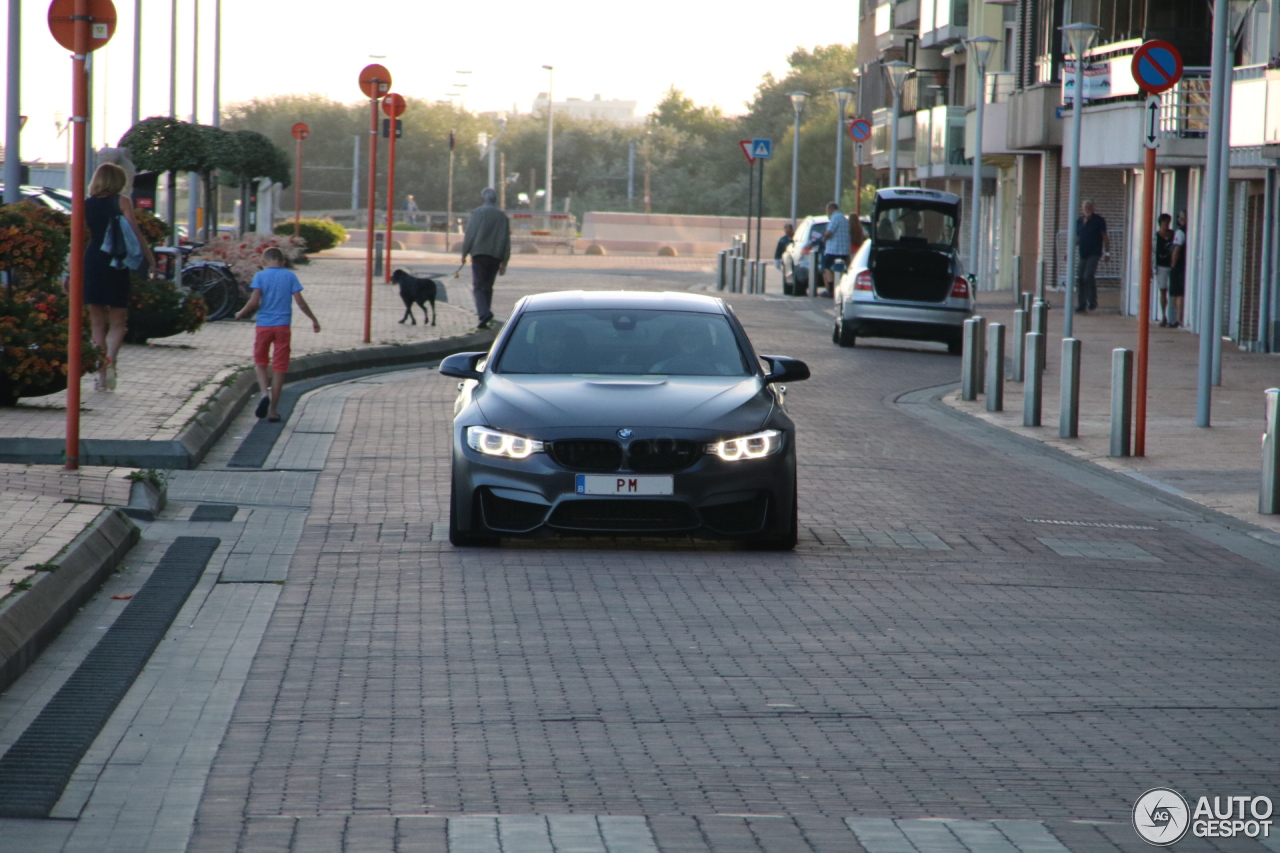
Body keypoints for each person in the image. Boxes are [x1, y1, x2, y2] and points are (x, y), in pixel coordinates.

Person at [84, 162, 156, 392]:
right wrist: (150, 259)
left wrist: (69, 271)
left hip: (93, 259)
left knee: (96, 322)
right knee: (118, 322)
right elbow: (135, 233)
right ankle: (111, 360)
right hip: (116, 261)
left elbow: (78, 238)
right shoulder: (122, 202)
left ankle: (101, 373)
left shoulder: (86, 204)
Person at [234, 247, 321, 422]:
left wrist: (240, 313)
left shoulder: (260, 276)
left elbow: (254, 302)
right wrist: (314, 320)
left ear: (263, 262)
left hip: (264, 326)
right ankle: (273, 411)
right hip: (283, 327)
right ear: (282, 262)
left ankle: (264, 394)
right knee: (279, 367)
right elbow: (300, 303)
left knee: (260, 362)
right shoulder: (290, 276)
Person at [460, 188, 511, 329]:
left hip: (479, 254)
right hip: (495, 256)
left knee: (478, 287)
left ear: (482, 199)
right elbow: (506, 241)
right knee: (488, 287)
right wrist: (505, 262)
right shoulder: (502, 216)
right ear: (495, 200)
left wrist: (464, 253)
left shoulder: (477, 213)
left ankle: (484, 313)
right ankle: (485, 319)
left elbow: (470, 233)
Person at [1075, 199, 1109, 313]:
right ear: (1082, 209)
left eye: (1089, 207)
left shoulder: (1099, 221)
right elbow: (1077, 238)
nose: (1087, 209)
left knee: (1088, 275)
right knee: (1080, 277)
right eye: (1085, 207)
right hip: (1083, 253)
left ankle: (1092, 300)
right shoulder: (1079, 221)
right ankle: (1082, 304)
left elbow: (1104, 237)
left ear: (1093, 208)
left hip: (1094, 252)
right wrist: (1068, 251)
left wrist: (1107, 252)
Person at [821, 202, 852, 296]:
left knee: (827, 267)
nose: (827, 212)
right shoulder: (844, 219)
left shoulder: (835, 218)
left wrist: (823, 239)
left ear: (831, 209)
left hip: (833, 250)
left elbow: (828, 232)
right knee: (843, 270)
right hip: (844, 250)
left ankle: (831, 289)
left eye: (827, 210)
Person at [1155, 213, 1175, 327]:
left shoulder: (1173, 235)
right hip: (1161, 266)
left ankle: (1174, 316)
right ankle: (1163, 316)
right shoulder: (1156, 236)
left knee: (1173, 291)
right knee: (1163, 290)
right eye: (1164, 223)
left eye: (1168, 223)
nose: (1166, 225)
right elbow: (1153, 252)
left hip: (1172, 266)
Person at [1168, 210, 1187, 328]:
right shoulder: (1189, 231)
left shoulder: (1180, 232)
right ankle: (1180, 318)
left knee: (1177, 293)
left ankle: (1178, 319)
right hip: (1184, 265)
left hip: (1178, 266)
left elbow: (1176, 250)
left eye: (1180, 217)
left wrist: (1173, 265)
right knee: (1179, 292)